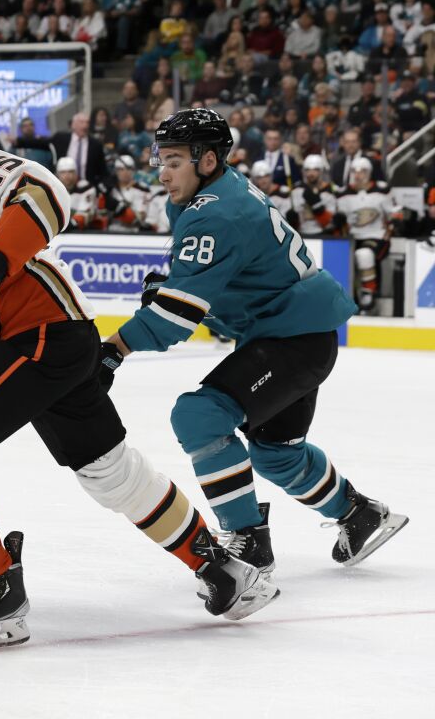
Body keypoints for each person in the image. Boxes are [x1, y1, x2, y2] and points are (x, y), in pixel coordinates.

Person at [0, 90, 273, 651]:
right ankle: (220, 567)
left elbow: (46, 193)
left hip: (42, 331)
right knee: (107, 469)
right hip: (37, 347)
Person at [100, 109, 407, 590]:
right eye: (161, 158)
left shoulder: (214, 212)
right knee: (276, 455)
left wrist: (113, 349)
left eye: (174, 160)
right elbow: (230, 276)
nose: (162, 172)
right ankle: (360, 515)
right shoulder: (214, 193)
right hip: (299, 331)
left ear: (206, 160)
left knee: (199, 416)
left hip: (291, 338)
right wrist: (175, 288)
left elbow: (177, 317)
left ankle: (247, 541)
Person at [335, 157, 397, 311]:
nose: (358, 175)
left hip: (377, 236)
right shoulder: (343, 193)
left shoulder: (382, 190)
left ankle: (368, 292)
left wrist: (395, 223)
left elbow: (395, 213)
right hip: (352, 238)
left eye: (362, 171)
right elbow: (339, 221)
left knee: (364, 254)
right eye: (354, 171)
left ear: (369, 173)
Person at [287, 155, 337, 235]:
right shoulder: (296, 190)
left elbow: (330, 224)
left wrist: (317, 207)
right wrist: (292, 220)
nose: (311, 173)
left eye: (315, 170)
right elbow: (291, 224)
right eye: (307, 170)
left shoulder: (330, 191)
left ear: (321, 171)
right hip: (300, 235)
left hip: (323, 235)